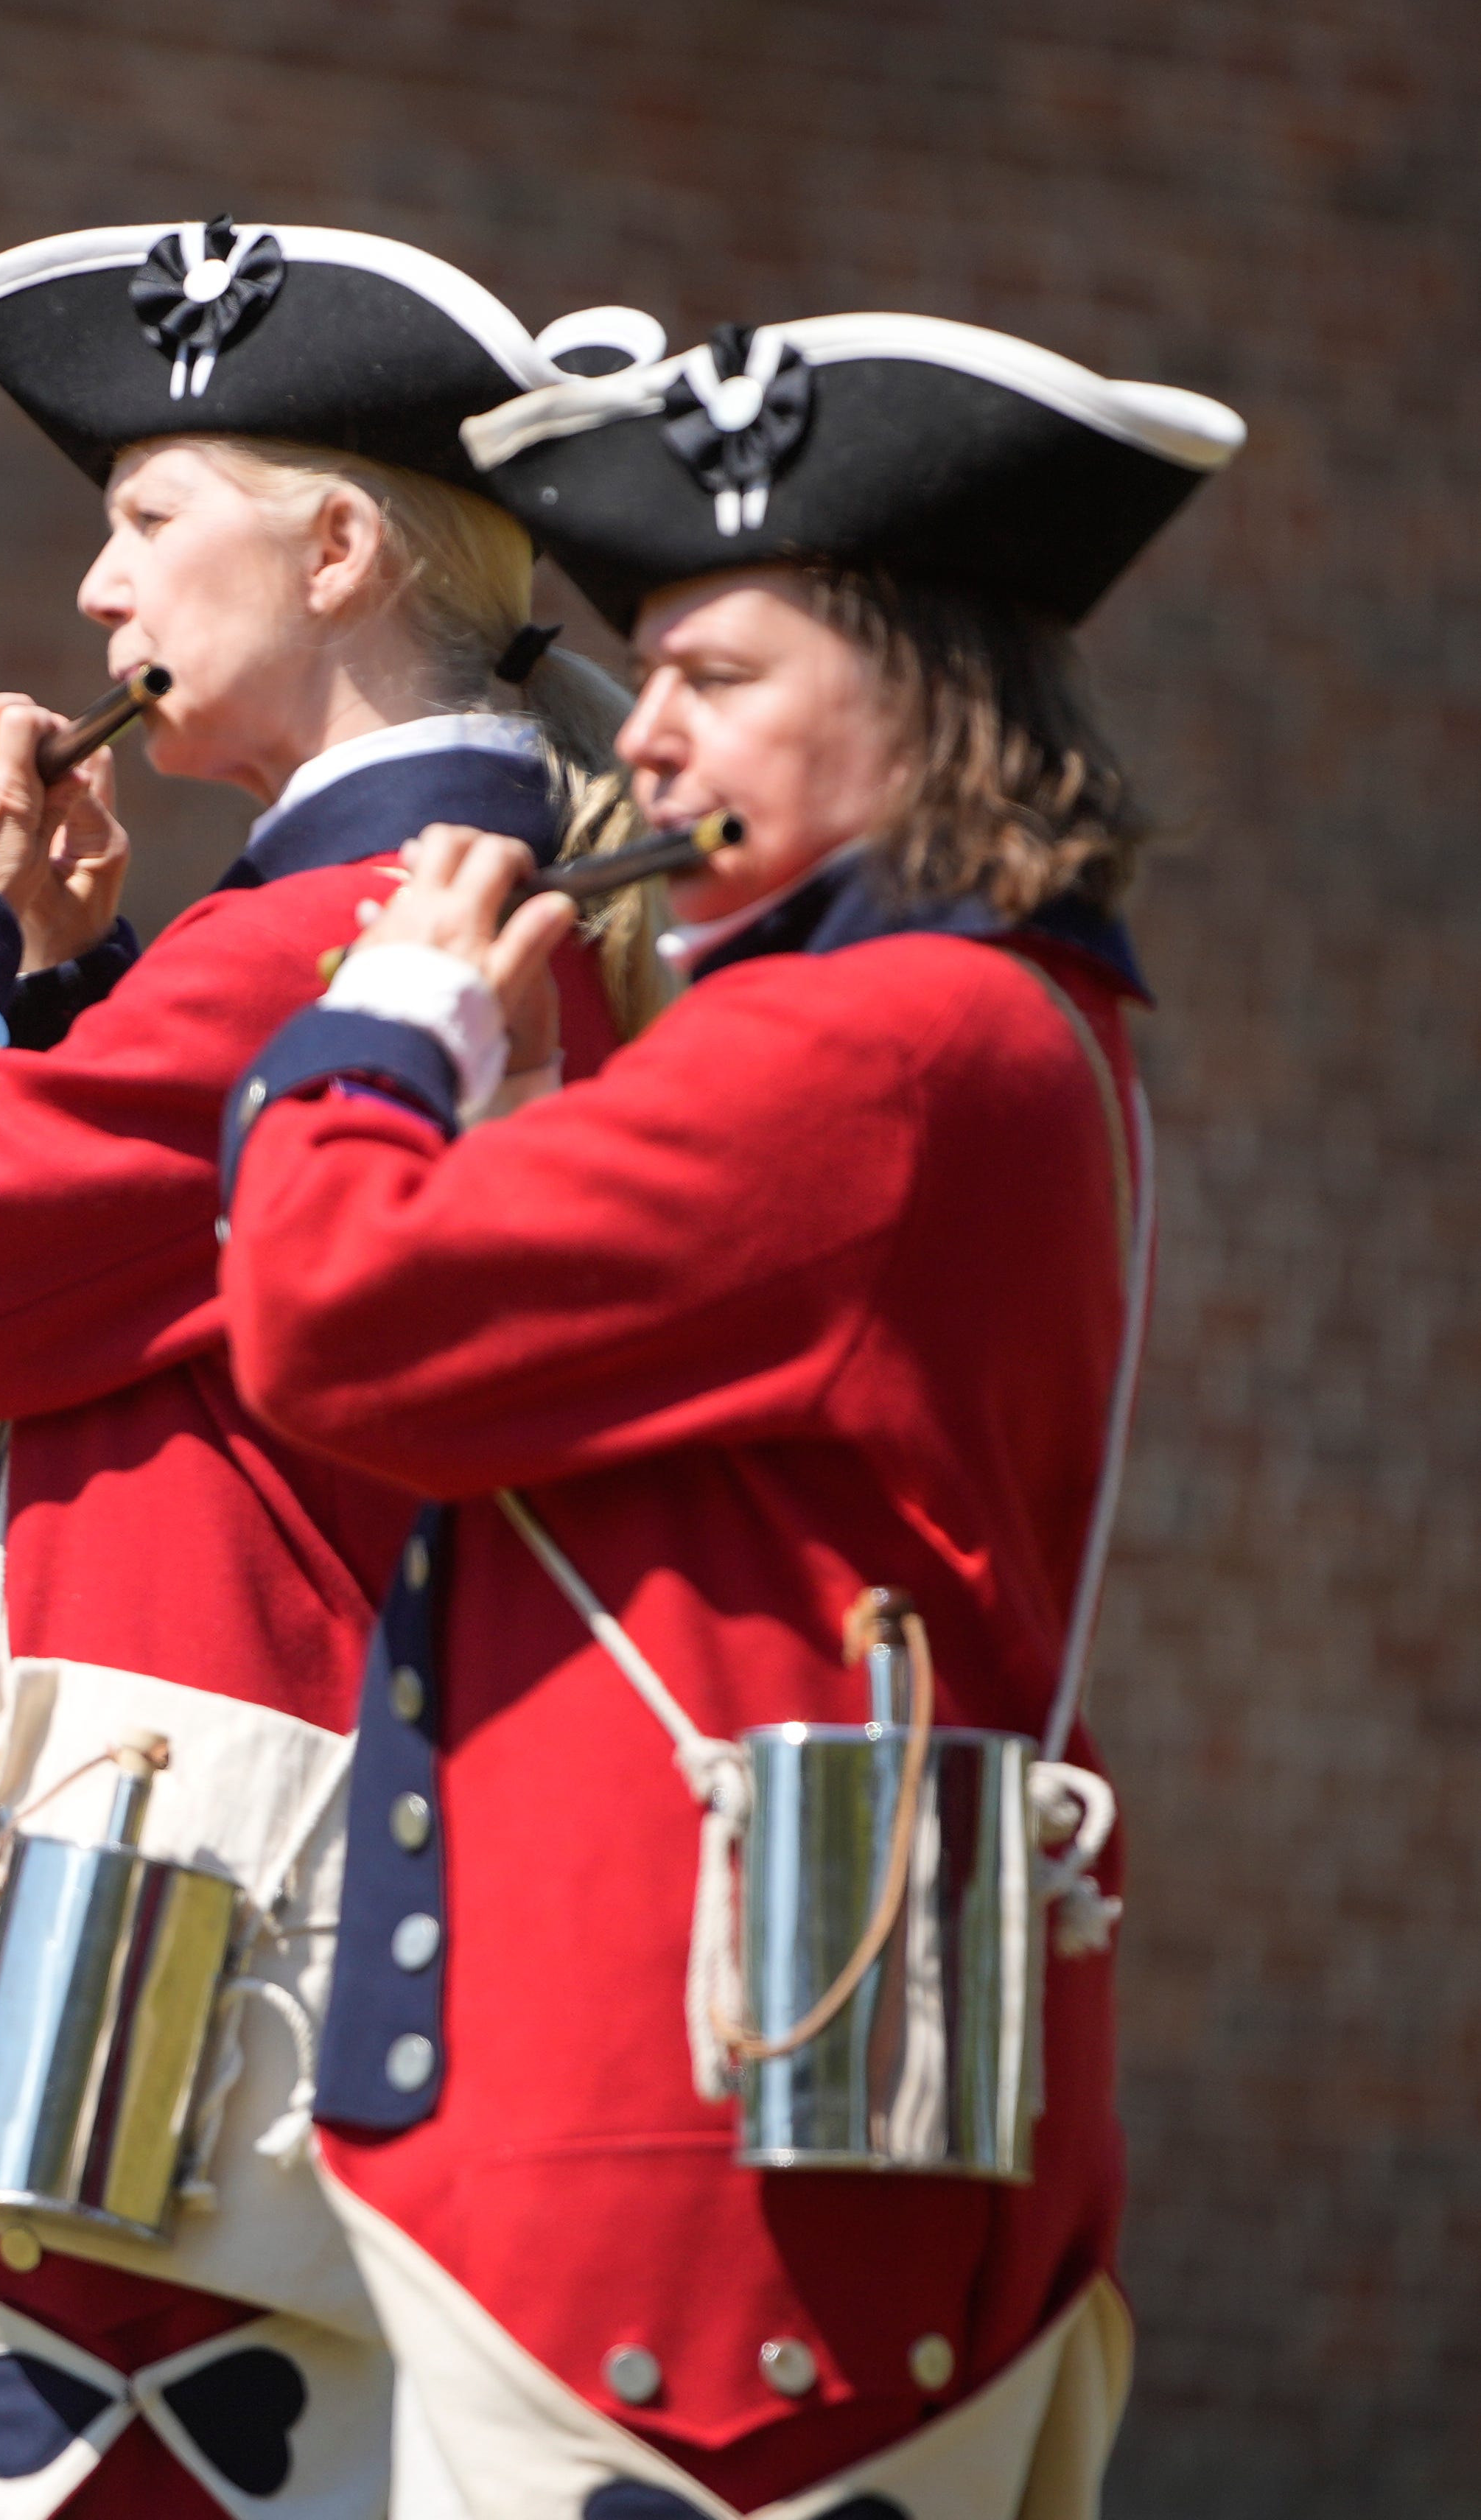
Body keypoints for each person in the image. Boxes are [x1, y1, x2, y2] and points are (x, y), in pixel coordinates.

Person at [215, 315, 1243, 2516]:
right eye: (652, 669)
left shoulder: (877, 1034)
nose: (649, 728)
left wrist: (382, 1025)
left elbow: (322, 1310)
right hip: (707, 2150)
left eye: (720, 672)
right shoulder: (964, 1013)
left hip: (686, 2213)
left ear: (926, 698)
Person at [0, 215, 653, 2519]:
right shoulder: (379, 909)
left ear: (333, 552)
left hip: (191, 1933)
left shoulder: (348, 921)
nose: (93, 591)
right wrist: (75, 982)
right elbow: (125, 1284)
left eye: (147, 519)